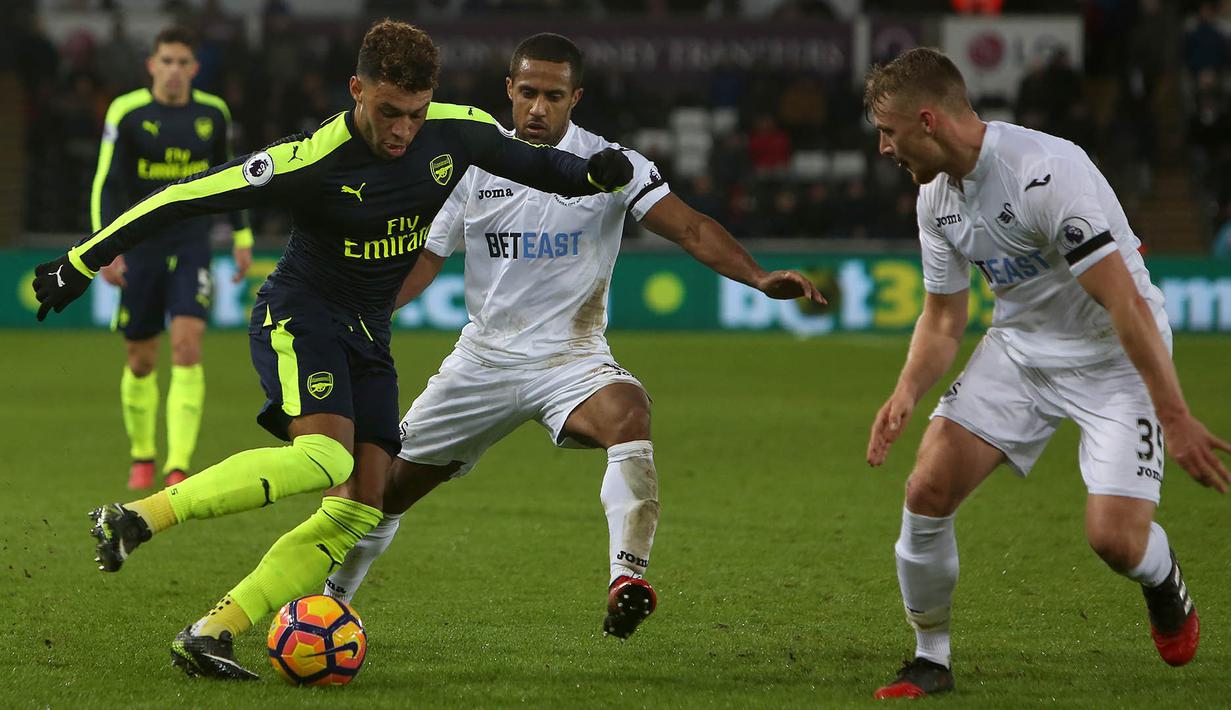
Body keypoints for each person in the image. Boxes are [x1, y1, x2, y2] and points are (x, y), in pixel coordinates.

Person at [31, 19, 634, 680]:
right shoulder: (309, 159)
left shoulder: (455, 129)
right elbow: (182, 196)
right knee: (324, 457)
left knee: (358, 508)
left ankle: (213, 631)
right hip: (301, 316)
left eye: (414, 114)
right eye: (388, 113)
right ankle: (135, 518)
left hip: (369, 335)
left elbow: (540, 165)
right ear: (356, 91)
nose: (402, 130)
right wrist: (81, 261)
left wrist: (592, 174)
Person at [320, 33, 824, 640]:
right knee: (384, 492)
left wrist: (758, 276)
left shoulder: (613, 167)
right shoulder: (472, 163)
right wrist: (370, 313)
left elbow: (690, 227)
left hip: (571, 359)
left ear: (574, 98)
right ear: (508, 91)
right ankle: (333, 602)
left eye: (553, 96)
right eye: (527, 92)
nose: (538, 108)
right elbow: (427, 257)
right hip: (482, 361)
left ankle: (626, 578)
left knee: (629, 410)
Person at [862, 47, 1231, 699]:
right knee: (925, 489)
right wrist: (904, 392)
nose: (884, 149)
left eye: (888, 132)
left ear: (927, 120)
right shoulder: (934, 202)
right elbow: (944, 318)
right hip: (1020, 351)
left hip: (1113, 356)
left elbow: (1121, 301)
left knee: (1113, 541)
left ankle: (1159, 574)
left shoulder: (1044, 173)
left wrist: (1173, 416)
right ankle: (930, 659)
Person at [91, 26, 253, 490]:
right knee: (141, 359)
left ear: (194, 68)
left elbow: (232, 177)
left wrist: (240, 234)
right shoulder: (126, 112)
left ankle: (177, 465)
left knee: (186, 346)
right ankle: (142, 454)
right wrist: (106, 245)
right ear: (151, 65)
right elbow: (106, 182)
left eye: (183, 62)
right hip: (140, 245)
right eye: (167, 61)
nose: (174, 71)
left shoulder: (213, 114)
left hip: (192, 243)